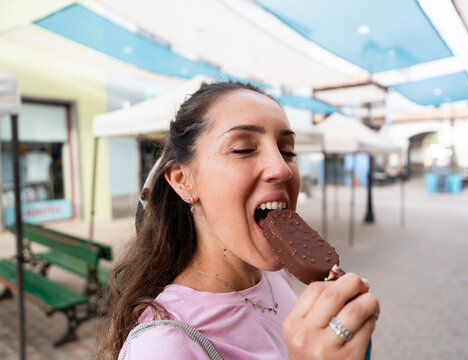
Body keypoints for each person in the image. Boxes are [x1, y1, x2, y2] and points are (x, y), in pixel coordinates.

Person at [97, 81, 379, 359]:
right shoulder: (162, 346)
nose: (282, 168)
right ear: (184, 182)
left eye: (288, 151)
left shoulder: (272, 274)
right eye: (243, 148)